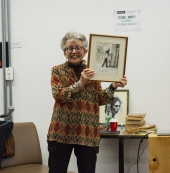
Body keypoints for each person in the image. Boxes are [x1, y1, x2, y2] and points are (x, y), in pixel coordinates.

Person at [47, 31, 128, 173]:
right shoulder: (57, 71)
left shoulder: (95, 72)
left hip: (87, 133)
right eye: (69, 48)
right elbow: (59, 96)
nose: (73, 51)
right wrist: (81, 83)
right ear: (64, 52)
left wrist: (113, 86)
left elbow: (99, 99)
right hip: (61, 132)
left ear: (85, 51)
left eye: (77, 48)